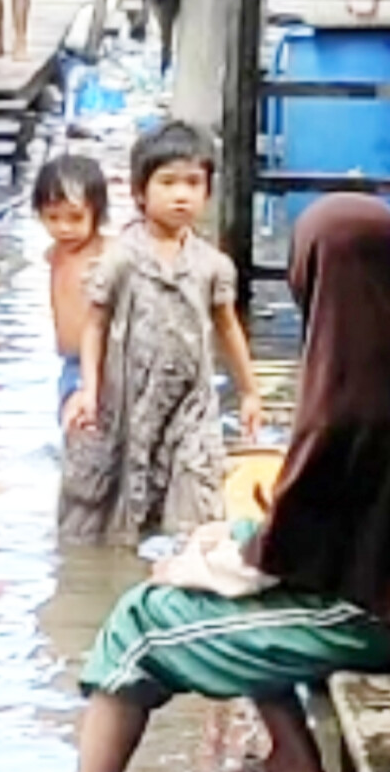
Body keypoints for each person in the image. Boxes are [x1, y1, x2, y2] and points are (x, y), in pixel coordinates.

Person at [70, 194, 390, 772]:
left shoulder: (354, 401)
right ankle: (289, 760)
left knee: (138, 624)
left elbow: (279, 558)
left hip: (382, 622)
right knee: (222, 551)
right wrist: (224, 546)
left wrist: (188, 568)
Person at [61, 121, 259, 547]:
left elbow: (228, 326)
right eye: (167, 183)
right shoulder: (122, 259)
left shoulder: (212, 266)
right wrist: (89, 391)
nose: (181, 195)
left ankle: (189, 578)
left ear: (208, 191)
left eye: (193, 183)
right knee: (116, 510)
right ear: (139, 192)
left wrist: (249, 392)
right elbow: (95, 325)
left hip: (192, 402)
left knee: (195, 499)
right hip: (129, 399)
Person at [31, 151, 110, 417]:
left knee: (80, 418)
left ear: (97, 215)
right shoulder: (53, 254)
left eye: (75, 218)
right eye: (53, 218)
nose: (63, 228)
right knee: (71, 419)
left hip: (104, 360)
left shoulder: (106, 253)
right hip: (69, 361)